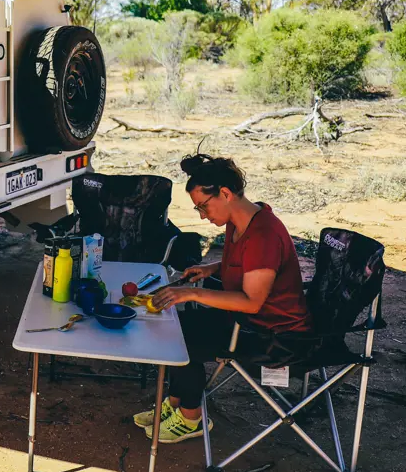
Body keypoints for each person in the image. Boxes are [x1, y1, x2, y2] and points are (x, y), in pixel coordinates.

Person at [132, 154, 314, 444]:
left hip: (275, 335)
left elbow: (252, 301)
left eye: (204, 206)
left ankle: (192, 419)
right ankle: (176, 403)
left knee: (183, 340)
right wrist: (211, 268)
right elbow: (249, 265)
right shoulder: (243, 219)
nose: (203, 215)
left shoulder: (263, 234)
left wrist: (192, 292)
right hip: (249, 322)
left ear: (226, 194)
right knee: (174, 326)